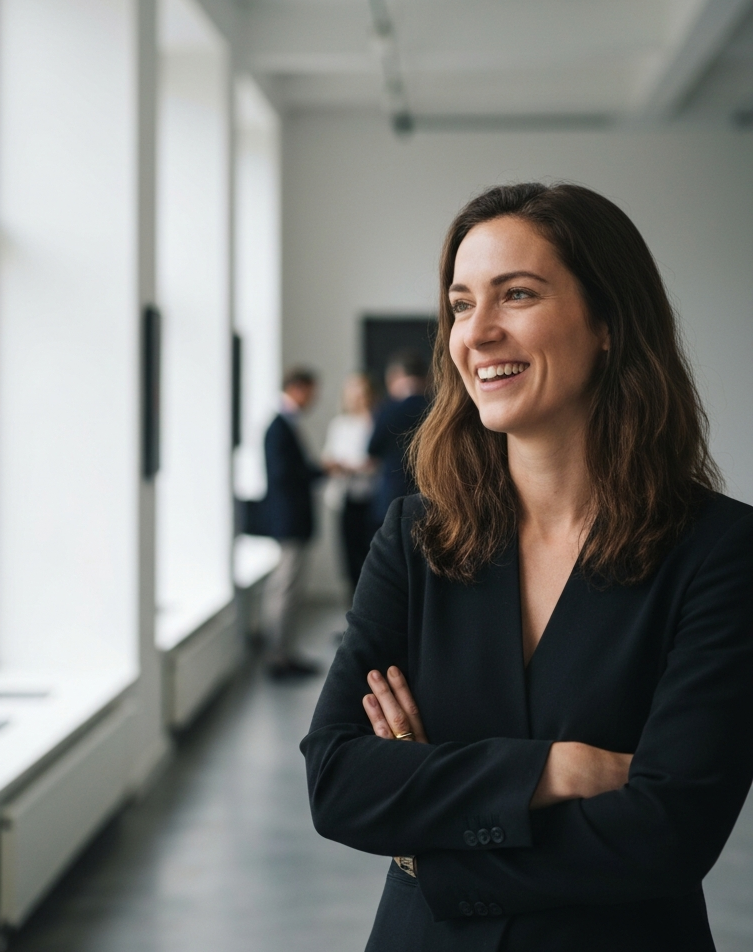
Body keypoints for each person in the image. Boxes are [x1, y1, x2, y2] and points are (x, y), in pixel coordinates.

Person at [300, 183, 753, 951]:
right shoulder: (416, 537)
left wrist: (428, 844)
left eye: (517, 295)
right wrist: (554, 770)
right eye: (461, 304)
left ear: (608, 321)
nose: (477, 333)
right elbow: (338, 780)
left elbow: (666, 834)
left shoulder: (719, 551)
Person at [261, 367, 325, 679]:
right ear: (298, 388)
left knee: (288, 587)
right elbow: (284, 474)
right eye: (312, 391)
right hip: (289, 520)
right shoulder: (278, 427)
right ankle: (278, 657)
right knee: (285, 587)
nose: (314, 399)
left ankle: (283, 652)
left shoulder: (286, 424)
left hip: (292, 519)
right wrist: (319, 470)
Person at [322, 372, 378, 596]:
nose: (356, 397)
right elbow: (329, 457)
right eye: (352, 392)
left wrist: (356, 466)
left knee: (371, 556)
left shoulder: (375, 421)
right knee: (349, 559)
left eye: (361, 392)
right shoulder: (340, 424)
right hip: (345, 498)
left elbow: (375, 461)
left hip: (372, 498)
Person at [367, 349, 429, 529]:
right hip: (432, 497)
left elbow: (372, 449)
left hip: (392, 498)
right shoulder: (439, 408)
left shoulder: (387, 410)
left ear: (396, 375)